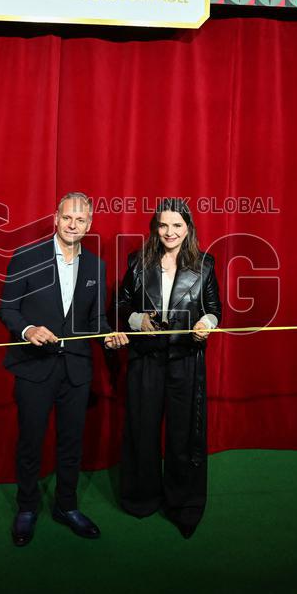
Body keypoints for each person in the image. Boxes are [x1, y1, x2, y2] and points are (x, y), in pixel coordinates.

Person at [0, 192, 128, 546]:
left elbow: (96, 320)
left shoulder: (96, 266)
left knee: (72, 442)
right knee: (31, 441)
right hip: (33, 367)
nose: (74, 225)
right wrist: (28, 330)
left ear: (89, 224)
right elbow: (7, 309)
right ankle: (27, 507)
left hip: (76, 370)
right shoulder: (27, 257)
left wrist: (107, 339)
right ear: (56, 217)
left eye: (81, 220)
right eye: (68, 218)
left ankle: (66, 506)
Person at [117, 198, 222, 538]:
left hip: (185, 359)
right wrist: (136, 319)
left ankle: (184, 504)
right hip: (145, 359)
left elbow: (215, 308)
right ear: (155, 228)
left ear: (188, 228)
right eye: (164, 225)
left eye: (177, 225)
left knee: (183, 436)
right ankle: (141, 498)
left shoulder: (205, 265)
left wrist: (206, 323)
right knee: (142, 430)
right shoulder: (137, 261)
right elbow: (121, 305)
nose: (170, 232)